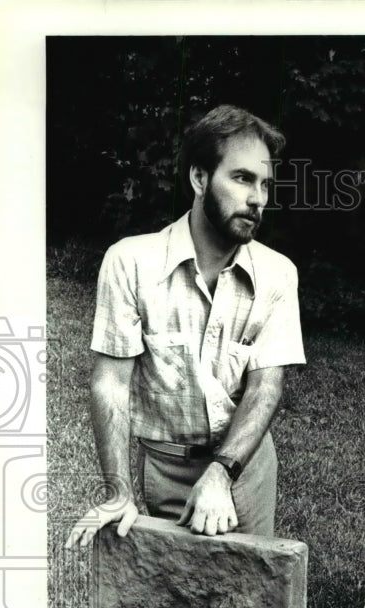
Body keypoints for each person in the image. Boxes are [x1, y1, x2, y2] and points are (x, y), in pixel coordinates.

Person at [65, 105, 305, 549]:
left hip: (244, 466)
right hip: (165, 469)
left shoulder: (278, 273)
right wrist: (119, 491)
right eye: (242, 178)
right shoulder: (131, 262)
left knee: (246, 602)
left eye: (265, 184)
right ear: (199, 179)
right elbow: (110, 384)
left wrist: (222, 473)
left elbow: (265, 387)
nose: (259, 199)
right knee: (167, 606)